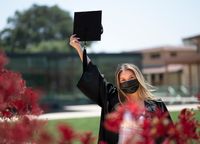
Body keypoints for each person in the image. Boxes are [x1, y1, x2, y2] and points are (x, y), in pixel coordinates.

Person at [69, 35, 173, 144]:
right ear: (119, 83)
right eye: (123, 80)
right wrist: (79, 49)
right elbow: (96, 77)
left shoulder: (157, 106)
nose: (127, 82)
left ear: (139, 79)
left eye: (131, 78)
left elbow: (169, 136)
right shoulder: (113, 100)